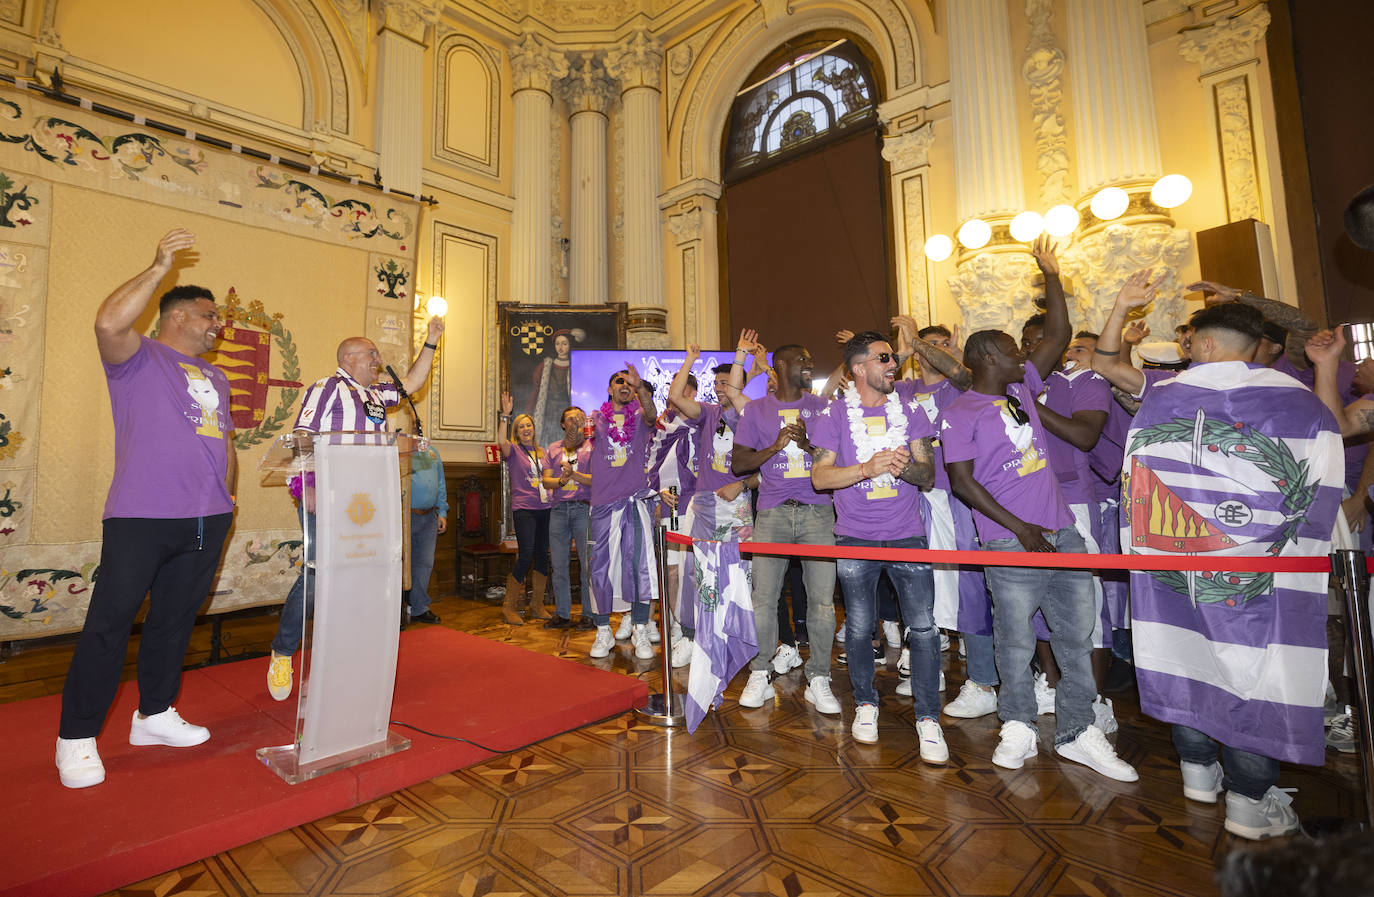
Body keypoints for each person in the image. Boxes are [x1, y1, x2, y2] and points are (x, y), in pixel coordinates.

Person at [1093, 277, 1343, 838]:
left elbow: (1108, 362)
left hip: (1179, 568)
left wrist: (1120, 304)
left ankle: (1199, 775)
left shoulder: (1164, 393)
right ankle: (1249, 803)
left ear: (1202, 344)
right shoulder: (1297, 399)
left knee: (1188, 654)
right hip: (1264, 571)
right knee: (1258, 670)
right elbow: (1332, 443)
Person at [940, 236, 1137, 782]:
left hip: (1064, 534)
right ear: (986, 358)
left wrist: (1052, 272)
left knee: (1075, 637)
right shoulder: (961, 411)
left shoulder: (1022, 387)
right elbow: (962, 482)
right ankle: (1019, 724)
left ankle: (1077, 731)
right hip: (1009, 539)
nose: (1022, 356)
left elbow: (1058, 334)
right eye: (1010, 349)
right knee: (1016, 639)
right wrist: (1020, 528)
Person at [56, 228, 236, 789]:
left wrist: (226, 498)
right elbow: (108, 323)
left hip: (207, 518)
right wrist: (159, 268)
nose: (218, 325)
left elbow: (223, 442)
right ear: (179, 316)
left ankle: (154, 715)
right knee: (110, 625)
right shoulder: (138, 358)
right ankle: (77, 738)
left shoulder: (216, 376)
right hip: (141, 515)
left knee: (175, 621)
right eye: (210, 316)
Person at [266, 317, 444, 701]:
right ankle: (282, 653)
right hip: (329, 493)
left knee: (362, 573)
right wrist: (308, 486)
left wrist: (430, 341)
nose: (378, 360)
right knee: (316, 575)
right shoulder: (326, 388)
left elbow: (411, 383)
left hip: (367, 497)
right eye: (371, 354)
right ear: (349, 358)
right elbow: (302, 437)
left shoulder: (377, 393)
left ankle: (348, 657)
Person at [810, 331, 945, 758]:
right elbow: (820, 478)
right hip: (854, 536)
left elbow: (929, 475)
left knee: (922, 629)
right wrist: (867, 467)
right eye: (883, 358)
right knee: (860, 625)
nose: (894, 364)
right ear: (858, 368)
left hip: (908, 534)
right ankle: (866, 704)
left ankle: (928, 718)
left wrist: (903, 469)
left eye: (893, 357)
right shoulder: (833, 415)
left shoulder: (912, 412)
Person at [892, 318, 1000, 719]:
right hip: (914, 496)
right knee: (919, 583)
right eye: (925, 345)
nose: (929, 350)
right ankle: (927, 668)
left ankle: (983, 681)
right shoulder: (902, 389)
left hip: (956, 495)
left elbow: (956, 369)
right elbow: (879, 377)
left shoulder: (961, 385)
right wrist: (902, 347)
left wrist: (919, 341)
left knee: (969, 585)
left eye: (940, 344)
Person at [731, 339, 841, 714]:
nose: (809, 365)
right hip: (773, 512)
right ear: (780, 367)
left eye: (810, 360)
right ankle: (761, 671)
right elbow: (739, 463)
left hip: (818, 512)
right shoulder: (757, 411)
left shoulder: (823, 407)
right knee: (764, 599)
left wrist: (810, 446)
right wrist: (775, 447)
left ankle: (819, 676)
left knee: (822, 603)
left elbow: (838, 458)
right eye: (802, 360)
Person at [667, 344, 753, 669]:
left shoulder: (752, 416)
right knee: (694, 572)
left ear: (738, 385)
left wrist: (742, 483)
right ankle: (690, 635)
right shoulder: (707, 412)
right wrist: (690, 359)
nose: (721, 389)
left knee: (737, 573)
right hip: (703, 503)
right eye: (717, 384)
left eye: (727, 383)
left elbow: (767, 460)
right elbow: (676, 397)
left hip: (737, 505)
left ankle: (732, 636)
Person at [586, 365, 660, 659]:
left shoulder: (641, 418)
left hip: (633, 502)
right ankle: (603, 630)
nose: (625, 385)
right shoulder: (596, 419)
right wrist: (577, 430)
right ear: (610, 389)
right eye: (620, 381)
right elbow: (571, 442)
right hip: (603, 505)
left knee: (638, 568)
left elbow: (653, 414)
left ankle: (641, 629)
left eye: (629, 382)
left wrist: (641, 385)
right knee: (600, 569)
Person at [498, 393, 553, 626]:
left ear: (534, 428)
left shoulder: (544, 453)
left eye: (528, 425)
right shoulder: (513, 451)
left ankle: (537, 605)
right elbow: (500, 442)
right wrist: (506, 415)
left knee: (542, 554)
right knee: (526, 553)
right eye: (521, 427)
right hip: (525, 509)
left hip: (546, 508)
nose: (525, 429)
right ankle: (509, 606)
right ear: (516, 432)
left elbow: (550, 479)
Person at [541, 406, 594, 630]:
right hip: (559, 510)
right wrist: (562, 481)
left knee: (587, 566)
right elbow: (546, 481)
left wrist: (574, 475)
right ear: (563, 424)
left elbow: (596, 480)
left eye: (578, 418)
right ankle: (562, 613)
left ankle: (589, 614)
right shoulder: (553, 448)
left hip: (583, 509)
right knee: (559, 565)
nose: (574, 422)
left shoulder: (592, 446)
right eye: (569, 419)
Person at [405, 439, 447, 625]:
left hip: (430, 516)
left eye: (419, 427)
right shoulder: (401, 452)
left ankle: (419, 608)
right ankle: (398, 611)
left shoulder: (432, 452)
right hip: (406, 516)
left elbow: (441, 483)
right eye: (413, 428)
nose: (417, 432)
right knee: (402, 564)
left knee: (425, 563)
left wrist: (442, 512)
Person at [527, 328, 580, 451]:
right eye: (557, 344)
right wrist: (528, 414)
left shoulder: (576, 366)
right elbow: (535, 392)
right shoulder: (544, 367)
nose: (560, 347)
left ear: (570, 345)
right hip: (548, 413)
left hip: (566, 414)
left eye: (564, 344)